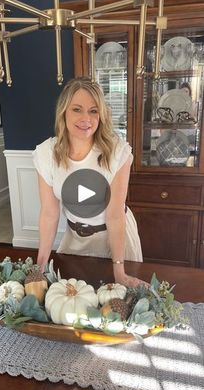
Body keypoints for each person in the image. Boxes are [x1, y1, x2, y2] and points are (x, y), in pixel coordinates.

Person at [33, 77, 145, 288]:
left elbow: (114, 215)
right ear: (63, 112)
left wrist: (119, 271)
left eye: (93, 111)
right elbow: (49, 213)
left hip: (116, 240)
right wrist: (40, 266)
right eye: (77, 109)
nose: (86, 118)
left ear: (101, 115)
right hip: (75, 239)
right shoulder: (46, 154)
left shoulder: (117, 152)